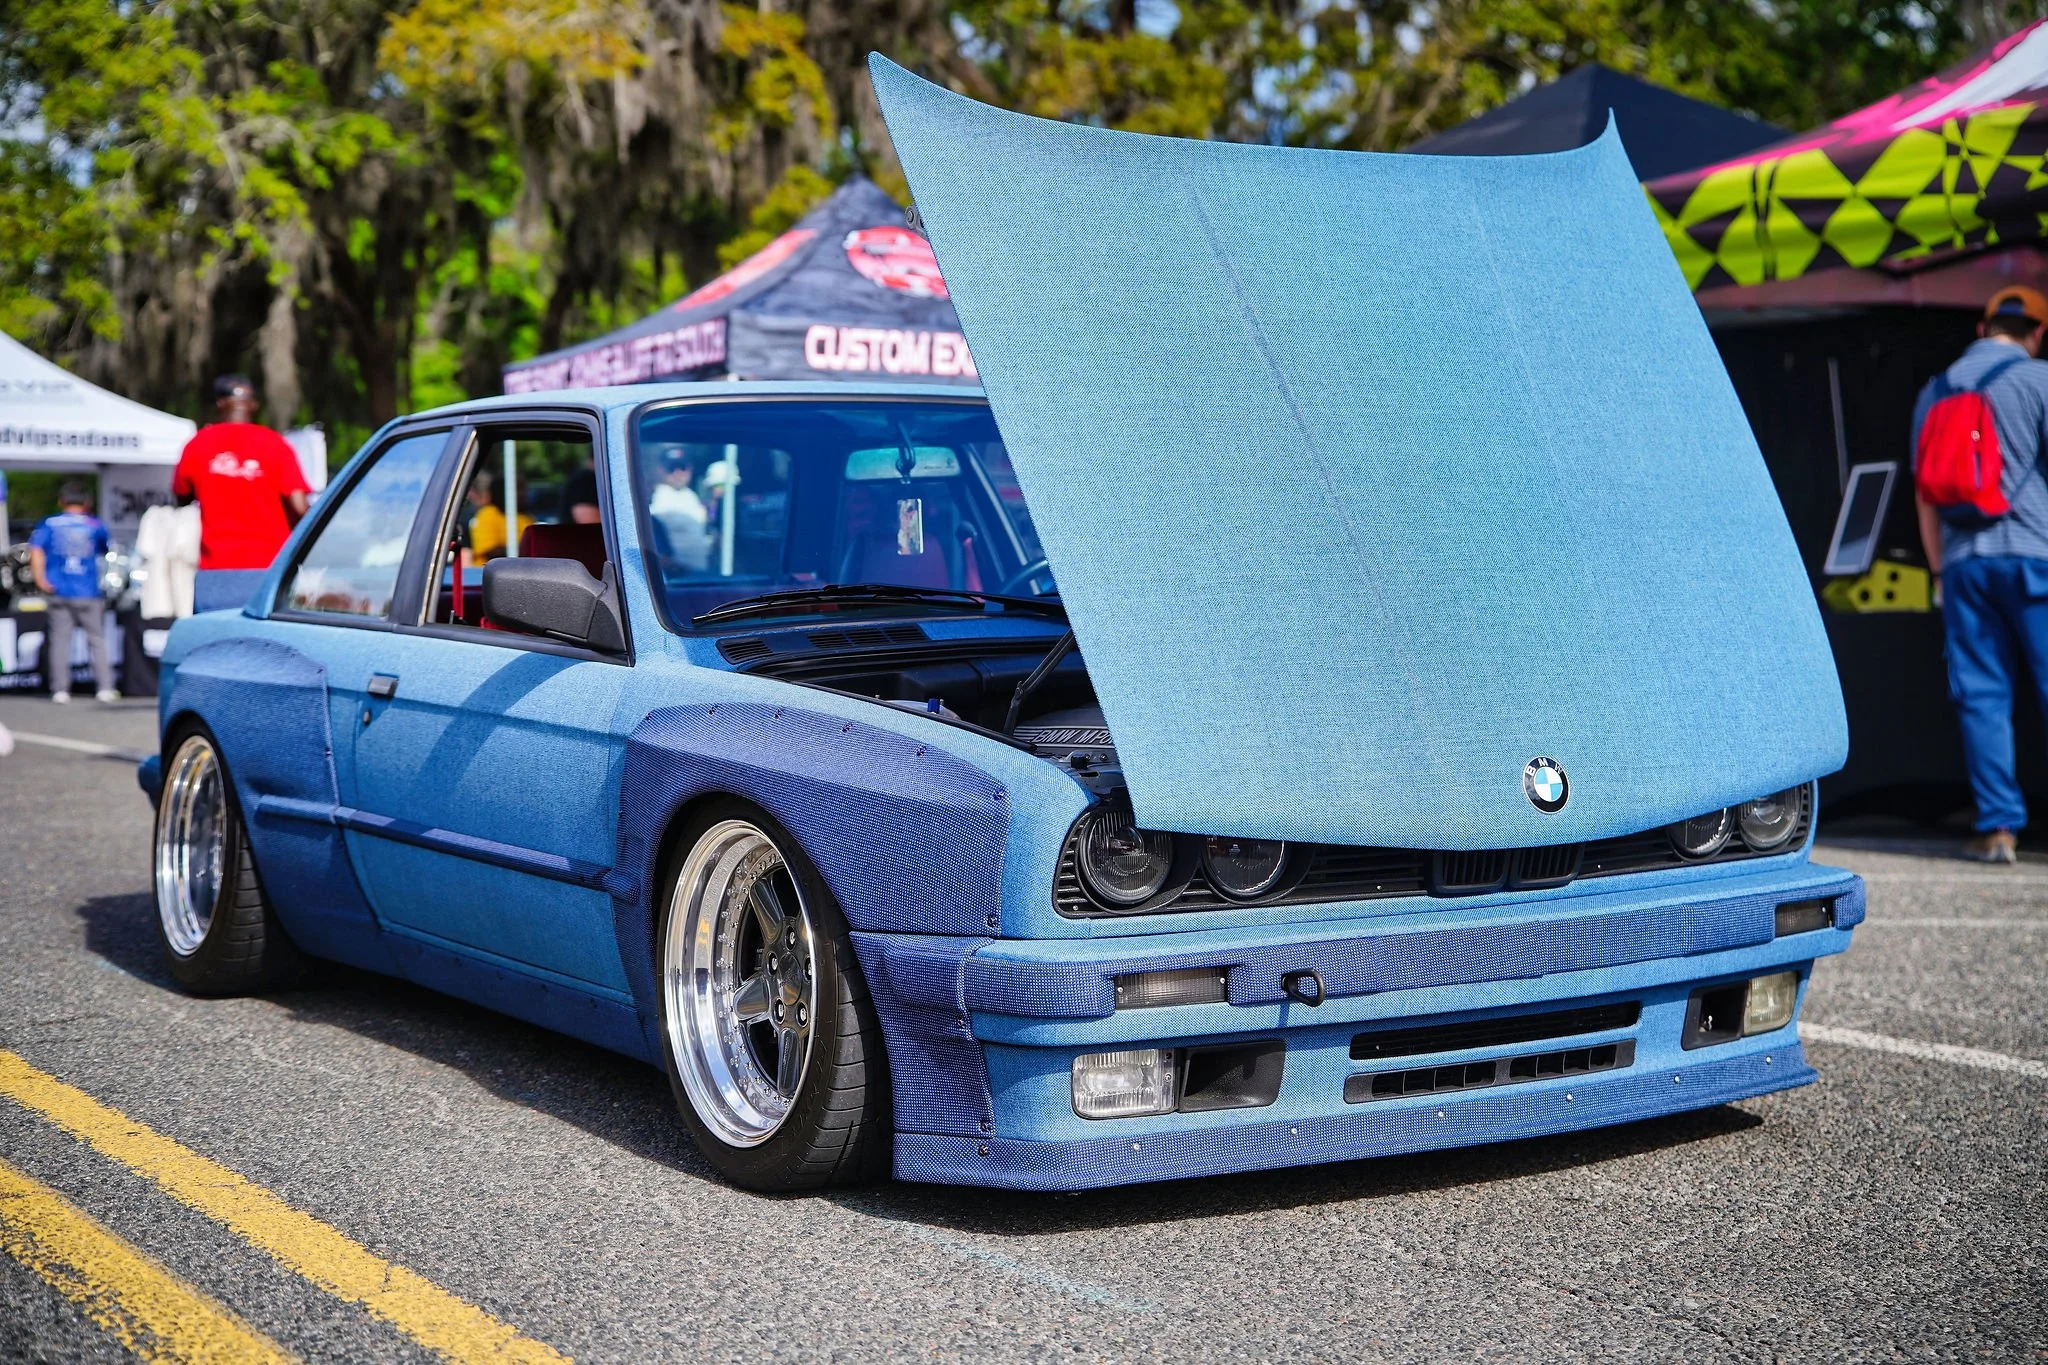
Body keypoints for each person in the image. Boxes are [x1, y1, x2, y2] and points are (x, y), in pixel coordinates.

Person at [1912, 285, 2048, 863]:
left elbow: (1925, 495)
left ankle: (1998, 829)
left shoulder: (1937, 389)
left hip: (1965, 563)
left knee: (1981, 697)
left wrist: (1940, 569)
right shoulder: (2039, 379)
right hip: (2037, 554)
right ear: (2037, 333)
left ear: (1982, 328)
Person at [172, 373, 310, 569]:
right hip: (271, 567)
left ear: (220, 404)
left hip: (217, 566)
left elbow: (181, 497)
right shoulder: (275, 444)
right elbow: (300, 507)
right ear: (253, 405)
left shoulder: (198, 444)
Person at [28, 483, 116, 703]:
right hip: (88, 591)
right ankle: (105, 687)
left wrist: (40, 579)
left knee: (60, 641)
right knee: (96, 639)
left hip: (59, 589)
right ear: (86, 503)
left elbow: (36, 550)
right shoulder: (94, 524)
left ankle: (60, 690)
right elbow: (106, 549)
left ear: (61, 501)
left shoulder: (49, 524)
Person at [648, 451, 711, 570]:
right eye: (671, 468)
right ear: (660, 470)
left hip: (700, 575)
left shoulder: (691, 496)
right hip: (674, 577)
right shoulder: (655, 497)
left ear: (690, 469)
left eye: (682, 467)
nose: (678, 473)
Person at [465, 471, 531, 562]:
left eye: (523, 489)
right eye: (518, 489)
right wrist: (523, 549)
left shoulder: (525, 517)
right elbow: (489, 552)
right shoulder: (487, 515)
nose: (522, 494)